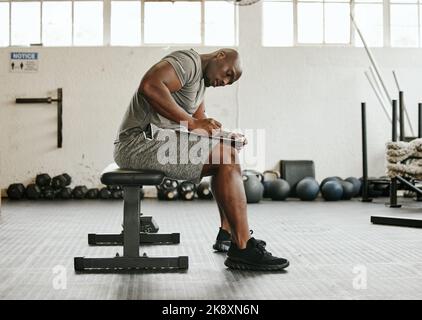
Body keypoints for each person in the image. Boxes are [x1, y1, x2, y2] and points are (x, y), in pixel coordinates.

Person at [113, 48, 289, 271]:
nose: (225, 82)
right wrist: (192, 123)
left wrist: (226, 136)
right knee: (226, 157)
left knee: (226, 153)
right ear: (220, 55)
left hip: (155, 142)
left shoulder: (200, 86)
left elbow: (200, 124)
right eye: (228, 74)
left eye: (230, 81)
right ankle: (243, 248)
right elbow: (149, 86)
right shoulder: (187, 62)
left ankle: (228, 234)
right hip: (137, 143)